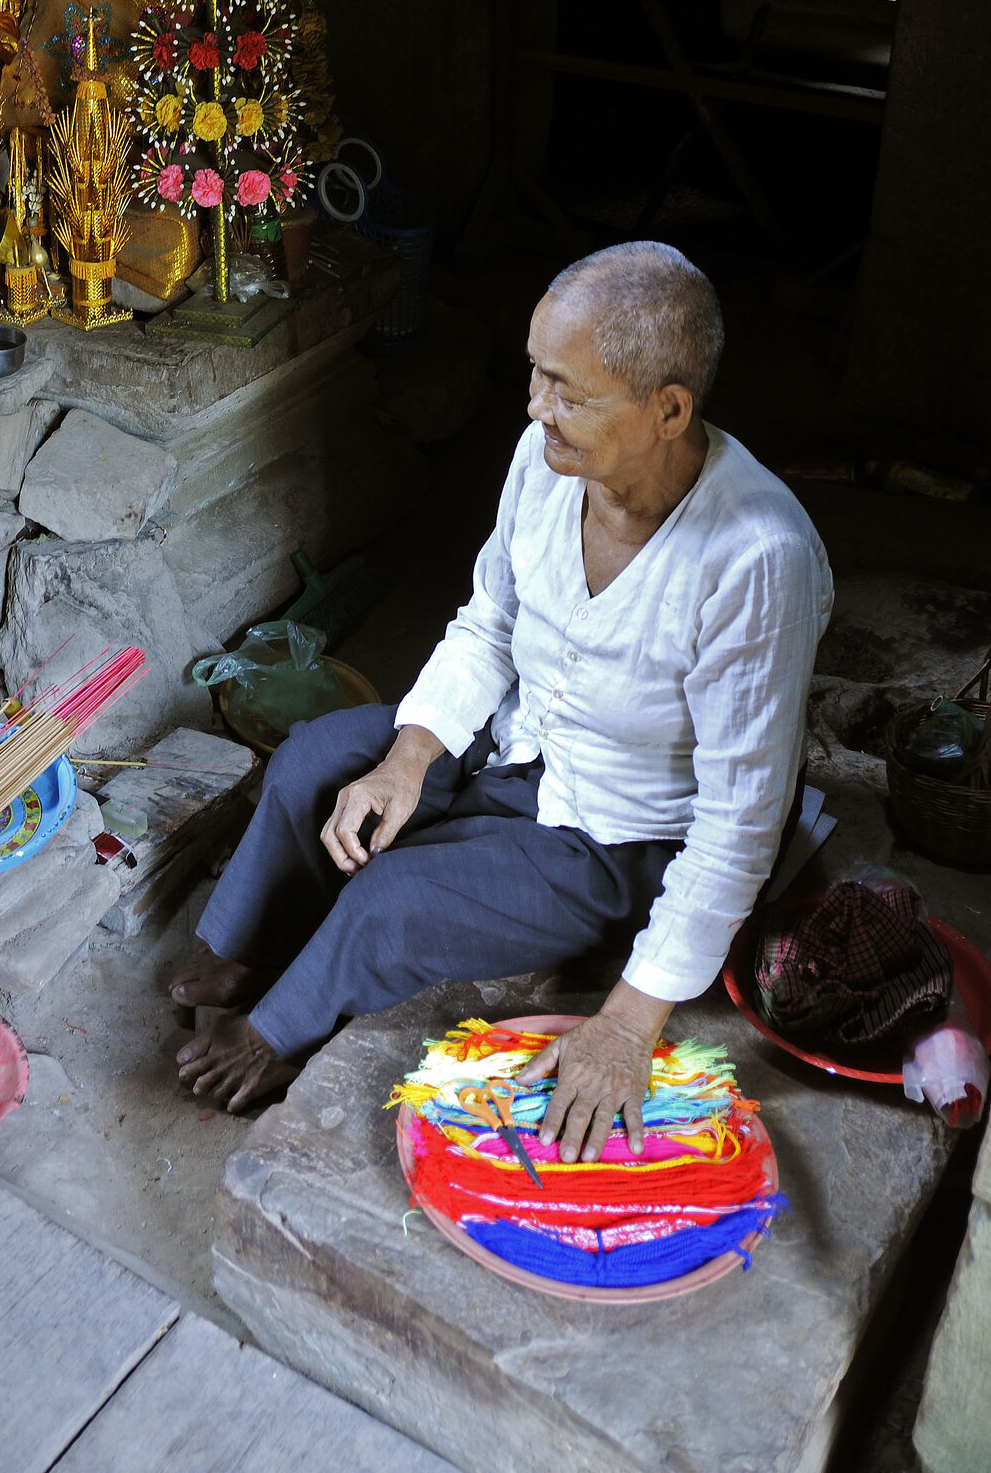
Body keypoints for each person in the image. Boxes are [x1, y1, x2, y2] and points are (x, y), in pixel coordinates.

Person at [172, 241, 833, 1160]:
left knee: (395, 895)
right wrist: (407, 763)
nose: (534, 410)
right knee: (320, 760)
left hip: (620, 836)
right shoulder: (543, 459)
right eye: (535, 376)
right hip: (515, 748)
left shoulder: (756, 558)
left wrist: (625, 1027)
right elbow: (488, 624)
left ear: (668, 410)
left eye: (568, 391)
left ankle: (278, 1032)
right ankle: (248, 942)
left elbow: (737, 828)